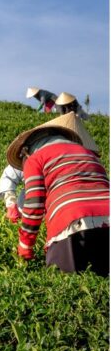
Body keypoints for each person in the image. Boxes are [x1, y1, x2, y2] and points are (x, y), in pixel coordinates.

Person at [6, 112, 108, 275]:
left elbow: (34, 205)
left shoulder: (36, 158)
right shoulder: (89, 154)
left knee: (63, 282)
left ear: (27, 151)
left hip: (71, 221)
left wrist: (24, 249)